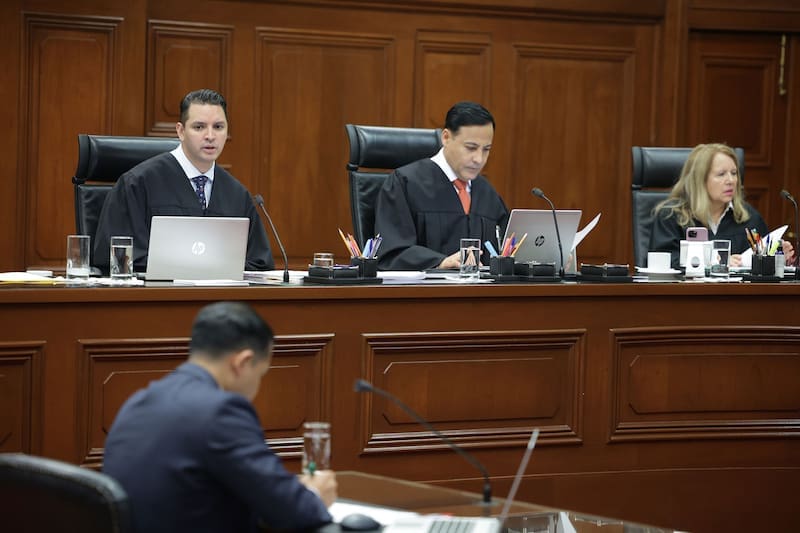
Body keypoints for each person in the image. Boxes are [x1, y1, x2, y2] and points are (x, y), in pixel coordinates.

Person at [102, 302, 336, 533]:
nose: (257, 387)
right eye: (260, 374)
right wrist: (315, 494)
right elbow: (293, 510)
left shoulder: (140, 400)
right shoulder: (221, 411)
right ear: (242, 362)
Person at [93, 89, 274, 273]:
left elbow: (259, 264)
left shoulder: (237, 195)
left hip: (220, 297)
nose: (210, 136)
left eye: (218, 127)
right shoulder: (138, 184)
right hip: (157, 297)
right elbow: (118, 260)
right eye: (199, 127)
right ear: (180, 131)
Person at [374, 101, 509, 270]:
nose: (479, 159)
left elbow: (505, 252)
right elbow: (391, 253)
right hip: (425, 294)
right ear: (446, 137)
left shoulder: (487, 193)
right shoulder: (405, 184)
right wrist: (440, 263)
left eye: (486, 149)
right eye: (471, 148)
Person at [650, 142, 795, 269]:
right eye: (721, 174)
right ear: (700, 179)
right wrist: (716, 261)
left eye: (734, 173)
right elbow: (663, 262)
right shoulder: (671, 215)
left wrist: (776, 258)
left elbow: (759, 266)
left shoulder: (749, 218)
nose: (731, 180)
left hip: (737, 298)